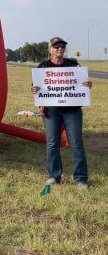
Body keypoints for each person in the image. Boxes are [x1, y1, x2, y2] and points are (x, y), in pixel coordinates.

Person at [30, 37, 93, 189]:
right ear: (50, 49)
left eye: (62, 46)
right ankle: (54, 176)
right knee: (52, 144)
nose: (59, 49)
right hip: (52, 111)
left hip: (72, 110)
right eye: (56, 46)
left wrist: (87, 85)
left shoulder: (73, 65)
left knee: (76, 143)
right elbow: (36, 87)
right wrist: (34, 90)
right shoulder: (43, 66)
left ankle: (81, 179)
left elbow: (82, 83)